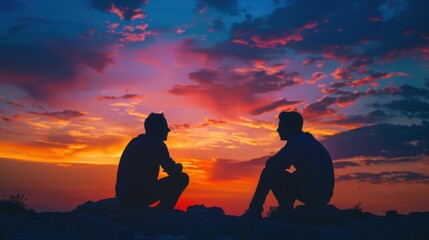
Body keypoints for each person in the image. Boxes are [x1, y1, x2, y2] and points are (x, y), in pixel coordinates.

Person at [241, 111, 334, 218]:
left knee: (269, 172)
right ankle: (285, 209)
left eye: (281, 126)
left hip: (315, 193)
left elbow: (272, 164)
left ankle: (255, 210)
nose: (278, 130)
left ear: (291, 127)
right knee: (293, 175)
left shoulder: (296, 141)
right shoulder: (307, 139)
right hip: (322, 193)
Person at [115, 113, 189, 209]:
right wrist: (179, 167)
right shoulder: (157, 144)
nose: (168, 130)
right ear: (157, 129)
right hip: (137, 197)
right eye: (164, 127)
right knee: (182, 178)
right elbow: (173, 171)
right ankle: (163, 212)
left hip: (123, 198)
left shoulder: (135, 141)